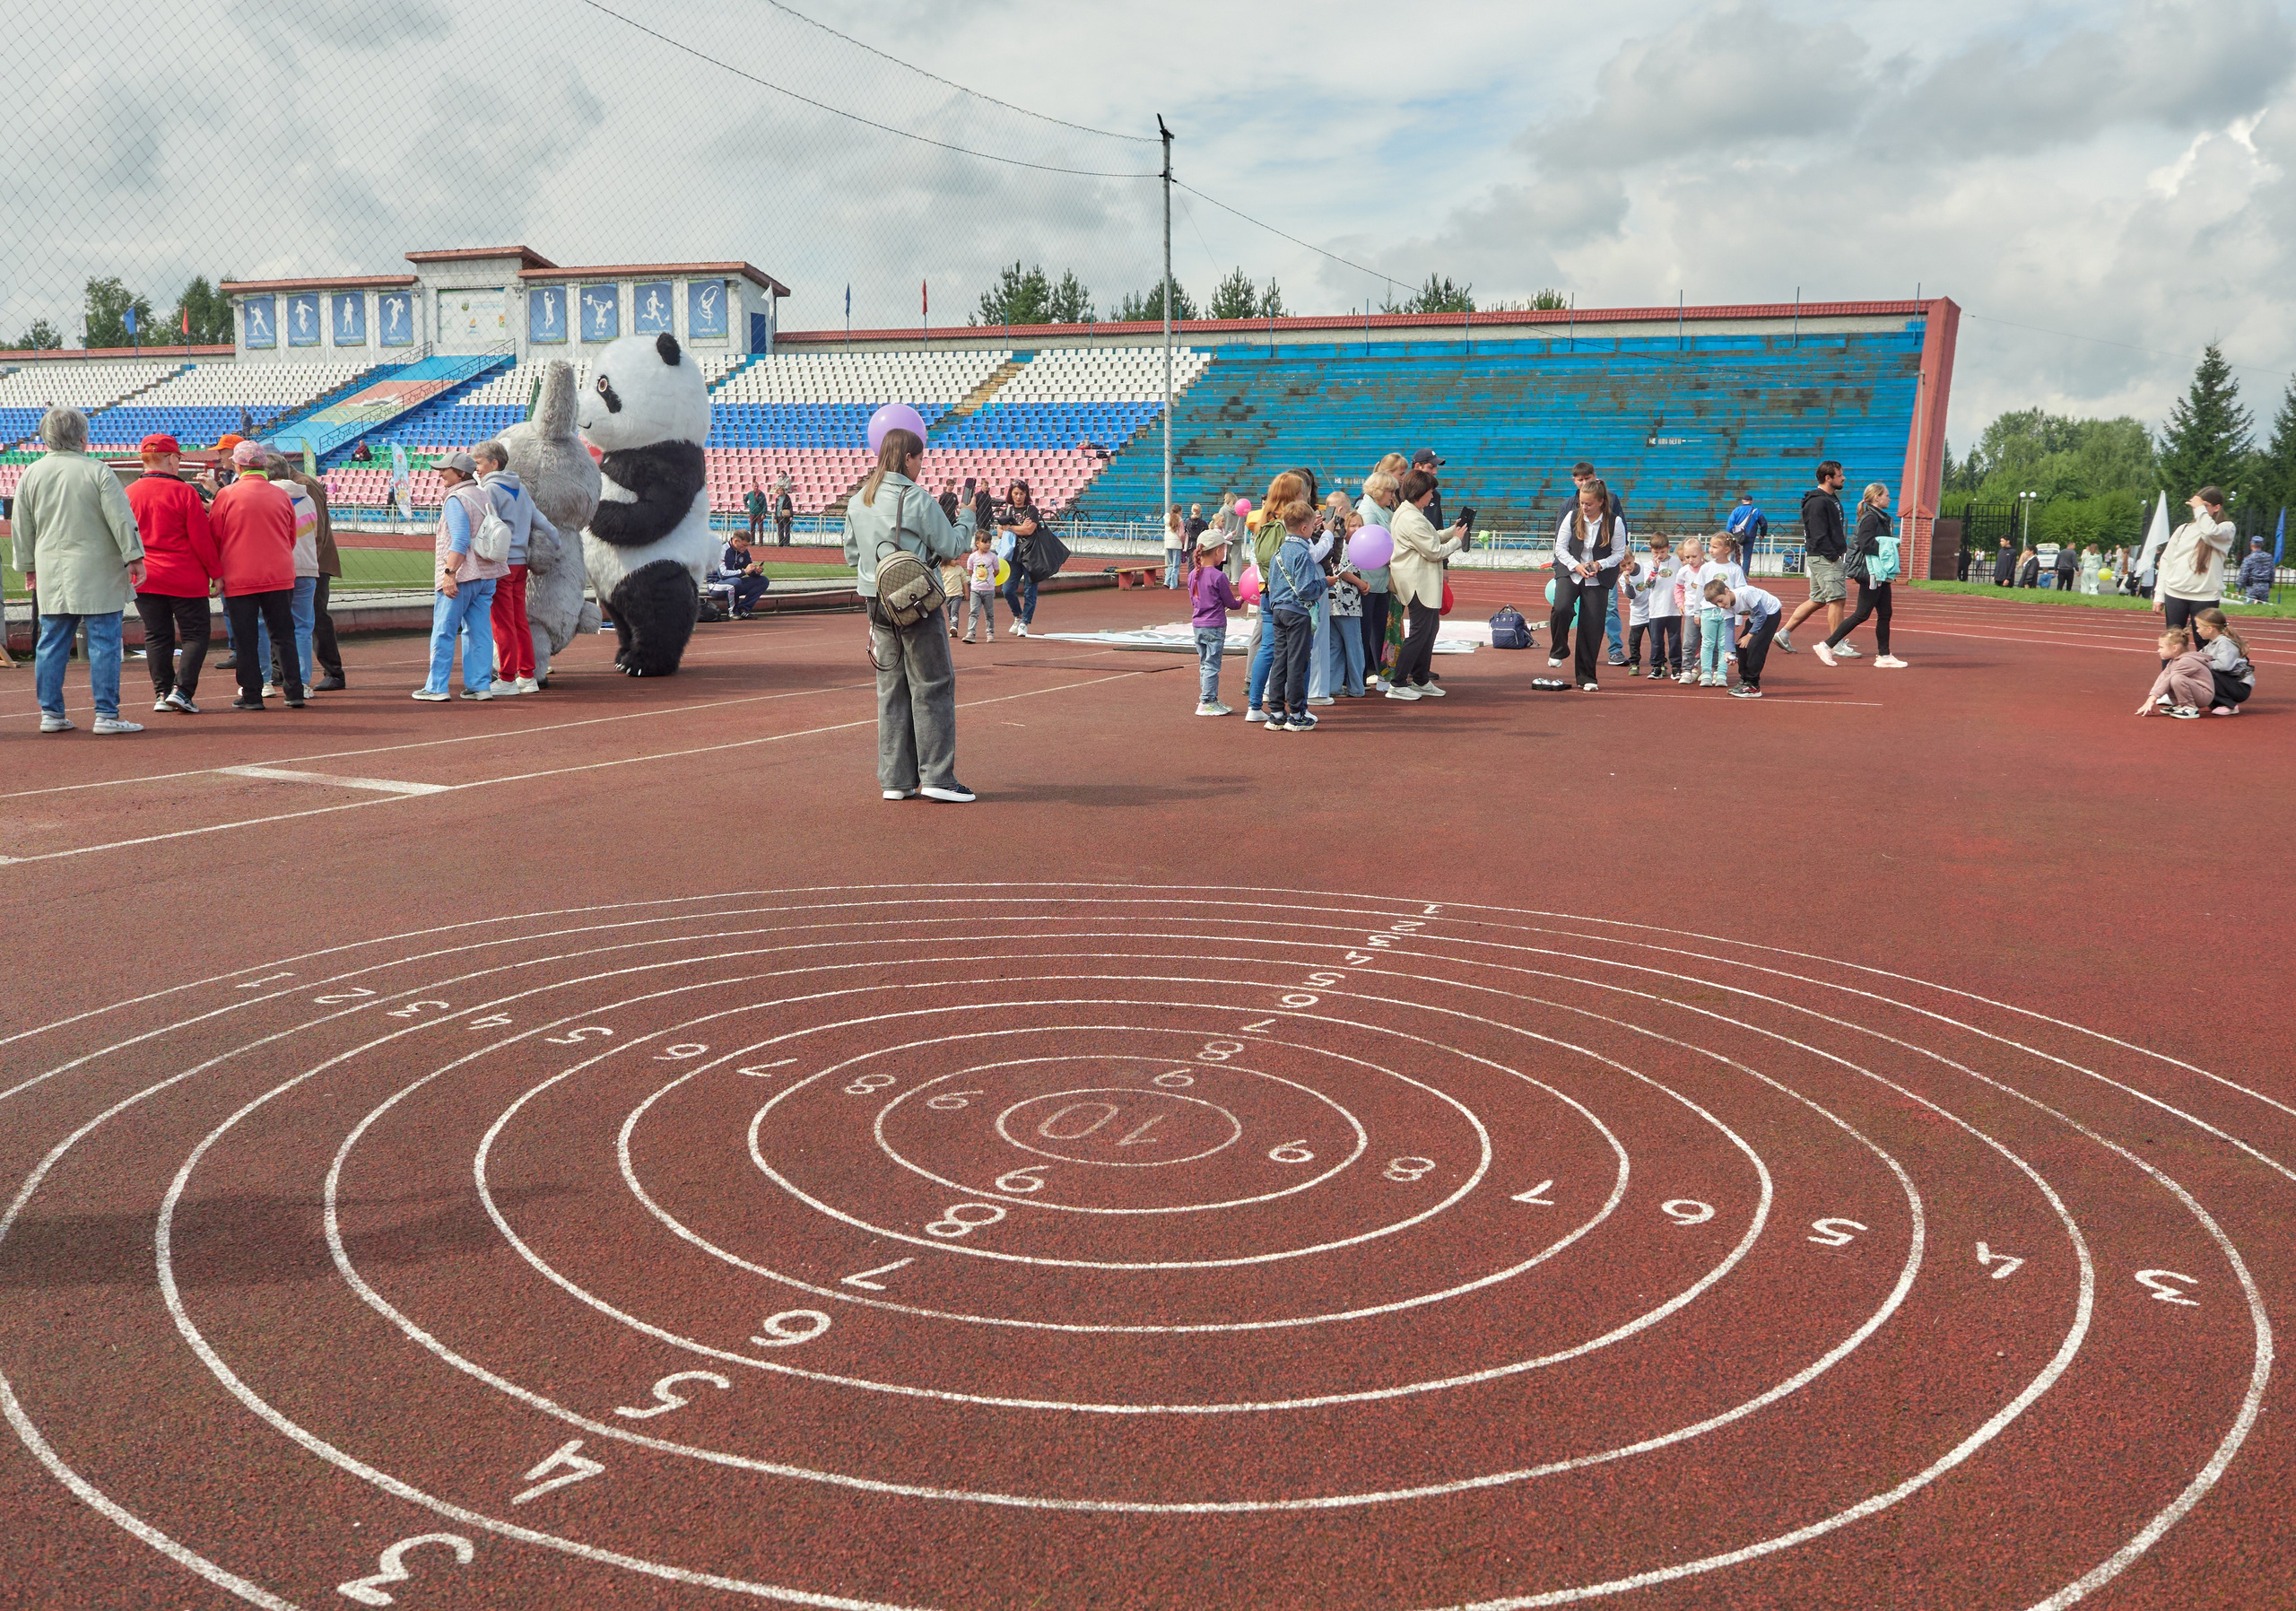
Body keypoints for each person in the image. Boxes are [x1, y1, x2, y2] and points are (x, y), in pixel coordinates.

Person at [843, 426, 978, 801]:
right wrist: (967, 516)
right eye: (920, 458)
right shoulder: (916, 498)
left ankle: (896, 780)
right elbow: (951, 546)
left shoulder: (858, 500)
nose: (921, 465)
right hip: (916, 601)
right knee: (932, 684)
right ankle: (938, 777)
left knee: (891, 689)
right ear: (908, 458)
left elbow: (852, 557)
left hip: (875, 601)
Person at [15, 406, 148, 734]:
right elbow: (121, 517)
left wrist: (28, 567)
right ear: (82, 437)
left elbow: (22, 526)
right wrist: (134, 556)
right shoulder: (97, 470)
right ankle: (106, 714)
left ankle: (51, 713)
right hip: (97, 568)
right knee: (104, 641)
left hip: (53, 569)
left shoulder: (32, 473)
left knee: (52, 641)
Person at [207, 439, 306, 711]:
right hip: (279, 573)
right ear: (263, 465)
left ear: (238, 465)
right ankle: (294, 691)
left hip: (240, 576)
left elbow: (214, 537)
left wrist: (216, 571)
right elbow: (291, 536)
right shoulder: (281, 495)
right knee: (284, 635)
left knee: (246, 637)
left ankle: (252, 694)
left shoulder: (227, 495)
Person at [126, 433, 219, 714]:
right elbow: (201, 539)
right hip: (184, 575)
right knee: (195, 635)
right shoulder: (184, 492)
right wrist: (217, 572)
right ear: (169, 458)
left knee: (156, 635)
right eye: (178, 458)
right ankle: (182, 690)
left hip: (146, 576)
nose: (179, 463)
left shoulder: (129, 492)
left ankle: (162, 691)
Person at [413, 450, 502, 701]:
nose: (440, 473)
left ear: (460, 473)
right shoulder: (483, 495)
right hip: (486, 575)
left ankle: (437, 687)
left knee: (443, 629)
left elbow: (461, 539)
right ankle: (480, 685)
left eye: (445, 470)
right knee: (479, 631)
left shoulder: (456, 499)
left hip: (463, 575)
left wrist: (449, 574)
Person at [474, 439, 552, 686]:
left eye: (479, 462)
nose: (476, 468)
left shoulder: (490, 490)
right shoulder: (520, 489)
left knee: (502, 622)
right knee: (519, 620)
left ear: (493, 463)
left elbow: (487, 526)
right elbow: (540, 519)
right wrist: (556, 541)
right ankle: (527, 675)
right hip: (521, 563)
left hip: (501, 563)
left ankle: (507, 677)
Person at [1387, 466, 1465, 700]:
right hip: (1417, 583)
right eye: (1430, 493)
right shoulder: (1411, 518)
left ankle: (1420, 679)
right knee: (1421, 633)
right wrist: (1457, 541)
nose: (1432, 497)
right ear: (1420, 493)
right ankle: (1398, 682)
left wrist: (1453, 531)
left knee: (1429, 630)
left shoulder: (1411, 512)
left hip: (1421, 581)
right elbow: (1433, 551)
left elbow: (1431, 536)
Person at [1815, 483, 1908, 668]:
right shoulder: (1870, 518)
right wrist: (1888, 548)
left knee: (1885, 613)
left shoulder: (1880, 518)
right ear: (1877, 497)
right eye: (1887, 495)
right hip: (1871, 573)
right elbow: (1866, 544)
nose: (1890, 498)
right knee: (1861, 614)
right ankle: (1826, 645)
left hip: (1879, 573)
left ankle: (1884, 655)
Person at [1548, 476, 1629, 690]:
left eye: (1589, 504)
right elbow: (1560, 548)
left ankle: (1586, 677)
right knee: (1562, 608)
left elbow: (1619, 553)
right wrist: (1576, 566)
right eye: (1582, 503)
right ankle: (1559, 649)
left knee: (1592, 626)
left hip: (1598, 577)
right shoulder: (1572, 516)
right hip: (1571, 569)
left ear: (1601, 501)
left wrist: (1600, 565)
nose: (1584, 507)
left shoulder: (1615, 522)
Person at [1261, 490, 1328, 731]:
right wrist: (1325, 583)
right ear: (1304, 528)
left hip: (1278, 610)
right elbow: (1306, 589)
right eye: (1311, 526)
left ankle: (1277, 712)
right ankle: (1297, 713)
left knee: (1280, 661)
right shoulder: (1303, 553)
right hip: (1297, 612)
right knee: (1297, 663)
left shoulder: (1279, 551)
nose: (1313, 530)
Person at [255, 451, 321, 696]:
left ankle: (263, 681)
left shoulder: (264, 499)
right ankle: (302, 682)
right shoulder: (306, 498)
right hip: (306, 567)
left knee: (262, 625)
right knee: (302, 627)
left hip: (275, 569)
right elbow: (315, 534)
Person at [1778, 460, 1848, 652]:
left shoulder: (1830, 498)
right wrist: (1833, 556)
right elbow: (1818, 534)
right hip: (1825, 557)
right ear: (1828, 478)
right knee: (1837, 599)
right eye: (1840, 475)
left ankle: (1783, 633)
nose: (1844, 478)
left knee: (1818, 599)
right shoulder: (1817, 501)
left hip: (1823, 556)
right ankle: (1836, 645)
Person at [1355, 462, 1404, 688]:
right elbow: (1373, 545)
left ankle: (1382, 672)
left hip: (1381, 579)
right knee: (1366, 630)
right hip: (1368, 579)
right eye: (1390, 491)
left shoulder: (1385, 510)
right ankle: (1361, 675)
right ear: (1377, 490)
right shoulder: (1367, 511)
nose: (1393, 495)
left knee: (1380, 629)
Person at [1706, 575, 1784, 698]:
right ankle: (1744, 681)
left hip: (1770, 614)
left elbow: (1762, 615)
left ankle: (1753, 686)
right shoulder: (1726, 608)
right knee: (1740, 647)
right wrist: (1729, 651)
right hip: (1755, 617)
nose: (1720, 605)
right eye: (1716, 604)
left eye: (1720, 600)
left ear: (1727, 591)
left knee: (1755, 646)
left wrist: (1750, 635)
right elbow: (1729, 628)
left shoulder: (1746, 593)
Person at [1191, 528, 1241, 716]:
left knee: (1205, 663)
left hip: (1198, 625)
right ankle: (1207, 700)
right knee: (1212, 664)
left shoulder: (1192, 575)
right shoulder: (1219, 576)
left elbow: (1195, 600)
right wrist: (1240, 600)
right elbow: (1231, 603)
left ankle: (1208, 697)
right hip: (1215, 625)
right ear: (1217, 551)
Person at [1629, 540, 1682, 678]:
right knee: (1657, 640)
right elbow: (1648, 584)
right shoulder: (1648, 565)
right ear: (1651, 550)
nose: (1660, 555)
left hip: (1674, 609)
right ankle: (1657, 667)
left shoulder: (1677, 562)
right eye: (1656, 552)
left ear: (1669, 548)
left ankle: (1676, 667)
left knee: (1675, 639)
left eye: (1663, 552)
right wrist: (1655, 569)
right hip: (1656, 609)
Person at [998, 479, 1045, 635]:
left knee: (1030, 590)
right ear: (1011, 494)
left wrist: (1010, 528)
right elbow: (999, 532)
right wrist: (1019, 527)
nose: (1018, 496)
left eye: (1022, 493)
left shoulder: (1031, 510)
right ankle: (1018, 615)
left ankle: (1025, 621)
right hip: (1012, 557)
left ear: (1026, 494)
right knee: (1007, 589)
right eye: (1015, 493)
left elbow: (1029, 530)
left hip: (1031, 556)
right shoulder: (1007, 511)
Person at [2136, 628, 2214, 719]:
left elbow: (2168, 679)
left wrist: (2152, 699)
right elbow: (2162, 678)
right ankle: (2179, 705)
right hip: (2196, 692)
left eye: (2161, 647)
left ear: (2174, 648)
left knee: (2176, 678)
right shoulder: (2174, 661)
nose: (2158, 650)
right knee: (2169, 679)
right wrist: (2151, 697)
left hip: (2204, 695)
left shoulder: (2186, 661)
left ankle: (2190, 708)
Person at [2193, 608, 2254, 714]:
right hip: (2229, 682)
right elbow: (2198, 656)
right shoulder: (2211, 644)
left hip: (2240, 687)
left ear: (2210, 629)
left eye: (2198, 627)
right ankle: (2215, 703)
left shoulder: (2225, 643)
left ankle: (2230, 705)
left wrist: (2203, 664)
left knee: (2204, 672)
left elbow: (2224, 666)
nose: (2196, 631)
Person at [717, 529, 771, 619]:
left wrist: (755, 571)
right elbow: (722, 574)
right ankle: (733, 611)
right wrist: (744, 572)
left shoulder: (744, 552)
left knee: (763, 581)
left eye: (747, 546)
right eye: (743, 545)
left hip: (735, 583)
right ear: (736, 541)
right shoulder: (723, 550)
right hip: (717, 584)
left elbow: (749, 569)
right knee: (735, 582)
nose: (745, 548)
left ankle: (744, 609)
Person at [962, 528, 999, 642]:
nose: (988, 544)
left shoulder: (993, 557)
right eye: (985, 542)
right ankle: (971, 633)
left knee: (989, 613)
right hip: (976, 590)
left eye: (989, 542)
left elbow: (996, 571)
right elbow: (970, 571)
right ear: (977, 543)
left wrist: (989, 580)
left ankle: (990, 632)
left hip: (988, 590)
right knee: (974, 612)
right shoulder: (972, 557)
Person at [1726, 492, 1768, 561]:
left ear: (1743, 501)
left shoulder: (1736, 510)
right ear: (1751, 501)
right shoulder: (1756, 511)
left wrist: (1729, 534)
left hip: (1737, 535)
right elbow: (1764, 523)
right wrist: (1762, 535)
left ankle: (1733, 569)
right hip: (1750, 535)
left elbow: (1730, 523)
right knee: (1747, 557)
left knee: (1734, 554)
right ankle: (1745, 571)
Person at [2236, 536, 2274, 605]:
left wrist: (2239, 589)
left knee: (2249, 608)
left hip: (2252, 586)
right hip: (2265, 586)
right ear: (2262, 545)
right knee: (2264, 609)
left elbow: (2243, 574)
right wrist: (2270, 585)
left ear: (2251, 544)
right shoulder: (2269, 557)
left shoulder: (2249, 558)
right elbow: (2272, 572)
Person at [1163, 505, 1187, 589]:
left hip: (1168, 543)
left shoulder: (1167, 519)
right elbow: (1181, 534)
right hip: (1176, 544)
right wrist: (1183, 542)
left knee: (1170, 564)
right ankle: (1173, 585)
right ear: (1179, 511)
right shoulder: (1180, 520)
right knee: (1176, 565)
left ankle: (1167, 581)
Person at [745, 479, 768, 544]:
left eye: (757, 486)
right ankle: (752, 541)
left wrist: (764, 513)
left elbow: (764, 504)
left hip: (759, 513)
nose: (756, 488)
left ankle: (760, 541)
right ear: (752, 487)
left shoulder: (762, 494)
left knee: (760, 528)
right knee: (752, 527)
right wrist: (748, 506)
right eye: (755, 486)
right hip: (752, 512)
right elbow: (745, 500)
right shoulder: (750, 494)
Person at [775, 480, 795, 546]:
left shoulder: (787, 498)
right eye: (779, 491)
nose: (780, 492)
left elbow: (790, 506)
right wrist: (775, 517)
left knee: (786, 529)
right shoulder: (777, 498)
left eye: (781, 490)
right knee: (780, 530)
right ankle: (781, 542)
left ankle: (787, 543)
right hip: (779, 515)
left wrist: (791, 515)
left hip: (785, 515)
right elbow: (776, 508)